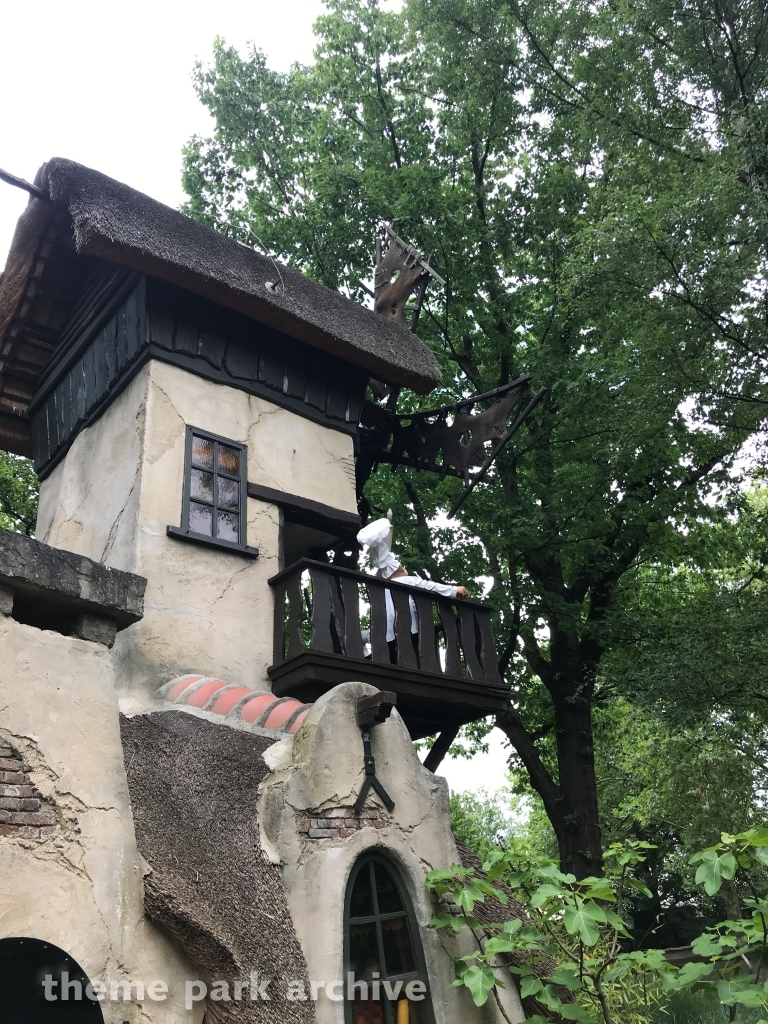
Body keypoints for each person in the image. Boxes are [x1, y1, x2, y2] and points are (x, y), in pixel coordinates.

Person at [356, 515, 468, 647]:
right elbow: (430, 586)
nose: (403, 568)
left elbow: (382, 559)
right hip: (409, 627)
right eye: (401, 568)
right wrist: (453, 590)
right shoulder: (405, 581)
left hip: (389, 631)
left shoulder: (384, 589)